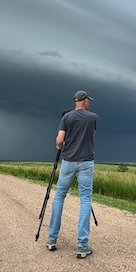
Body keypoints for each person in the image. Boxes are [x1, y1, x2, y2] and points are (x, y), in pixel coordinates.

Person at [47, 90, 98, 258]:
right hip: (86, 161)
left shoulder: (66, 118)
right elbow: (92, 136)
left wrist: (61, 147)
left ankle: (52, 239)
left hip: (68, 161)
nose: (89, 102)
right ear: (84, 101)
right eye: (88, 100)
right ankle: (82, 245)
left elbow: (59, 141)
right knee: (85, 199)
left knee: (59, 196)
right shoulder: (93, 117)